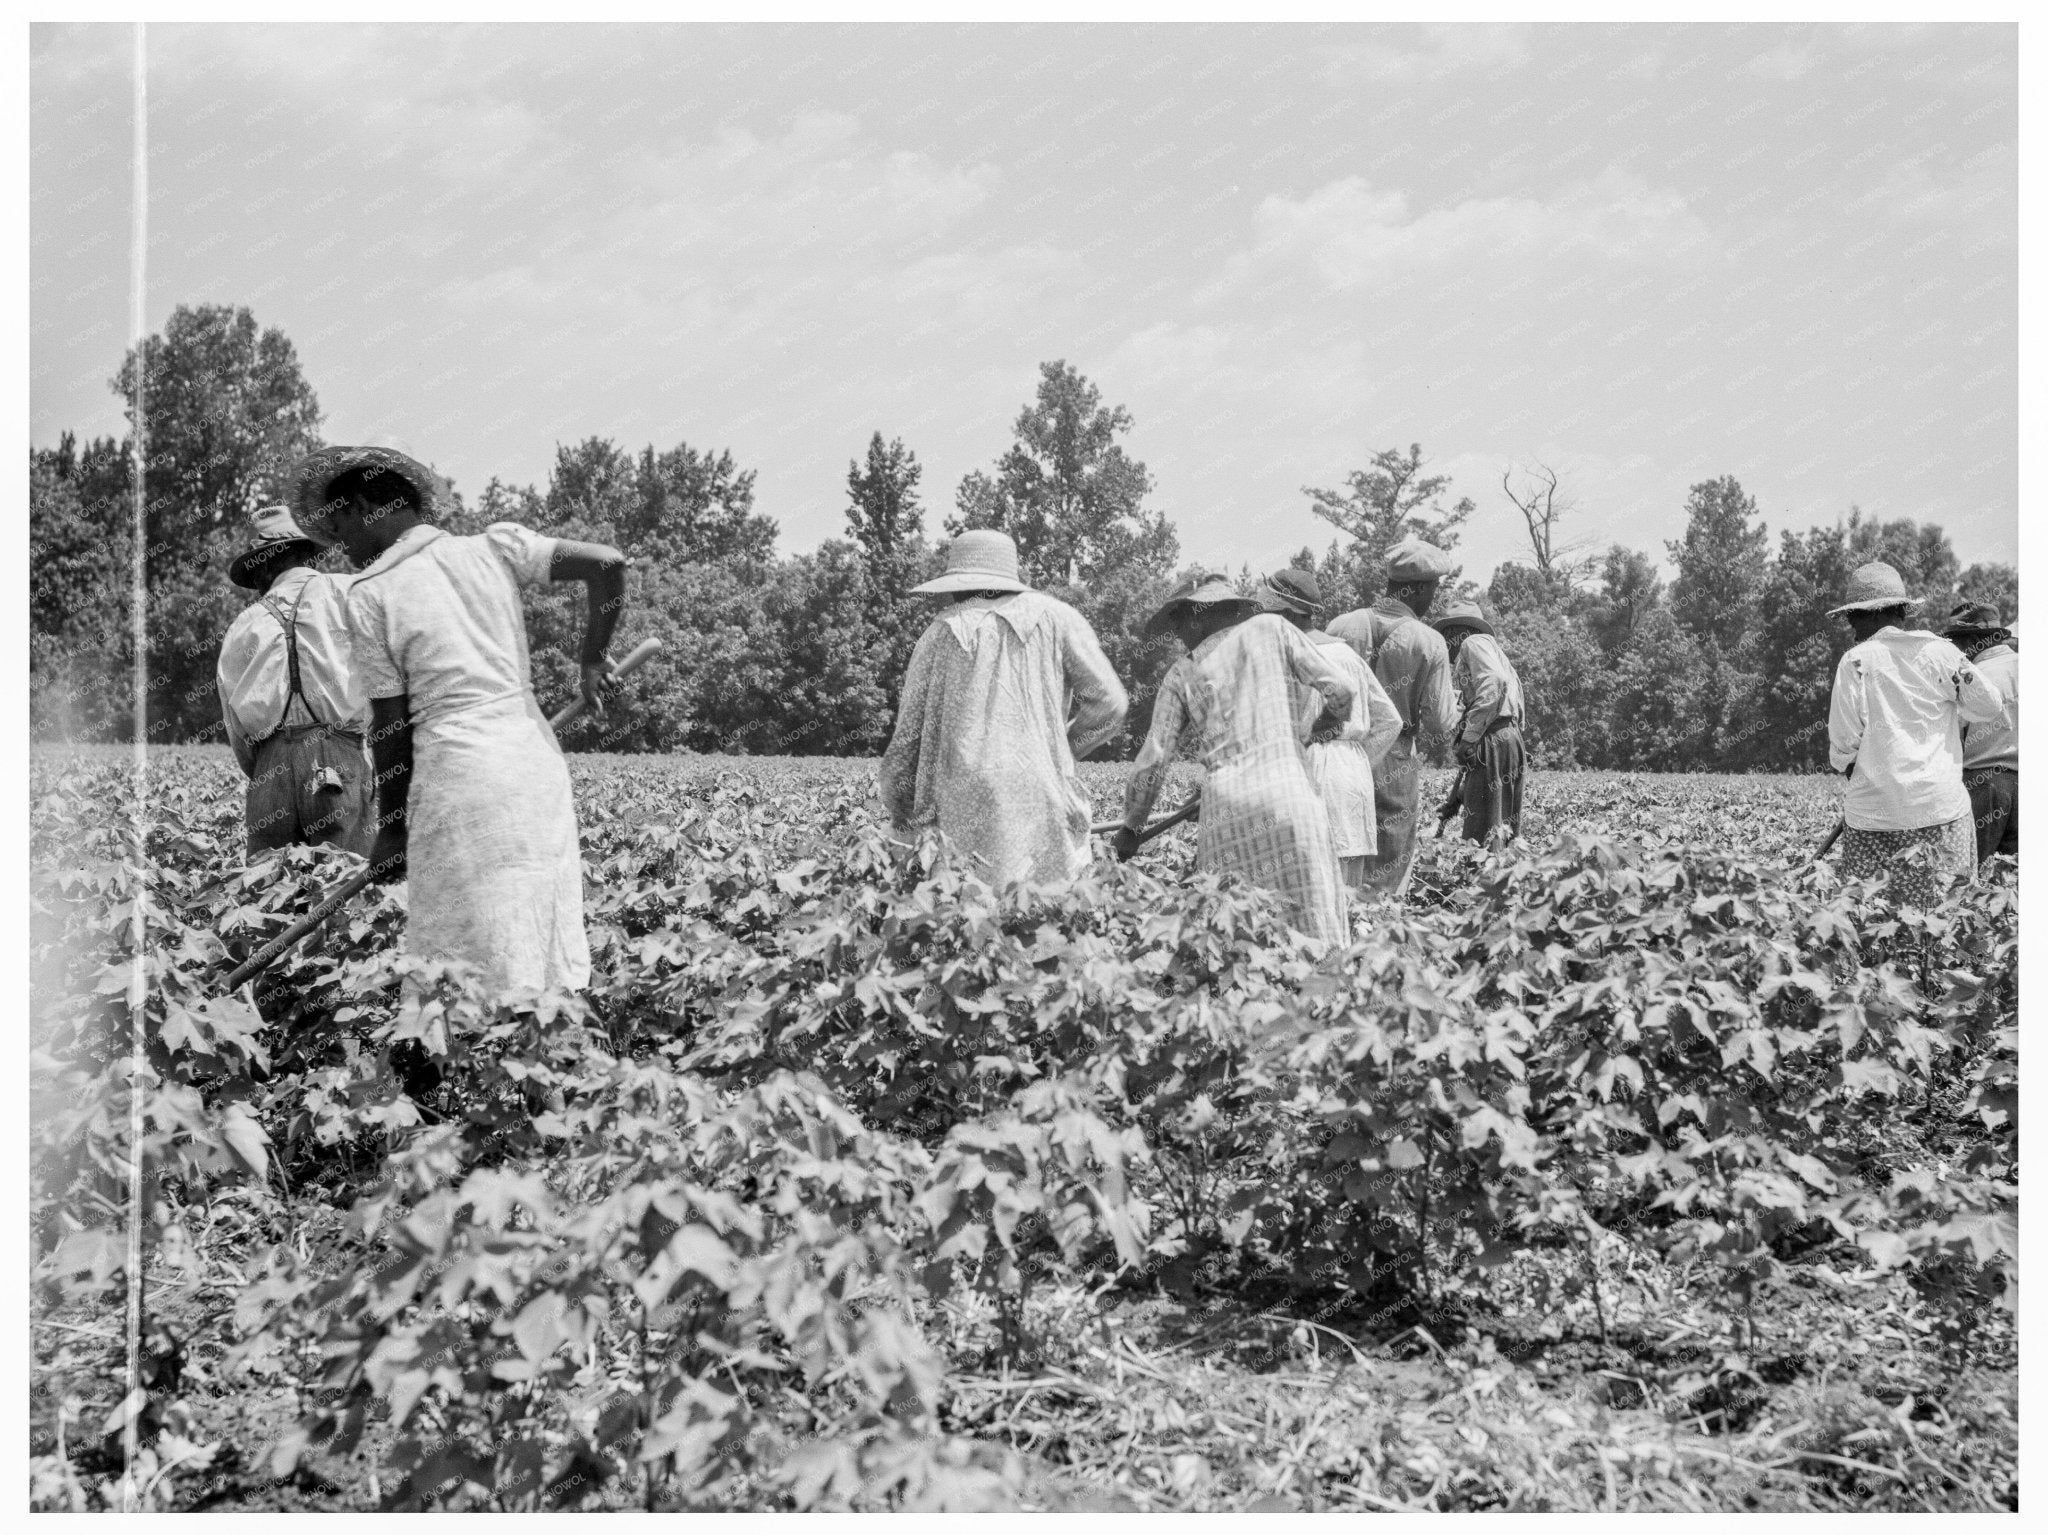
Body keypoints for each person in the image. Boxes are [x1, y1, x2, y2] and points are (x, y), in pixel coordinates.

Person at [289, 444, 628, 996]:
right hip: (531, 766)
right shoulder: (494, 548)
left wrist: (392, 829)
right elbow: (608, 563)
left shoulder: (370, 594)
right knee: (537, 948)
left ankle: (450, 1071)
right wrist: (591, 658)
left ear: (360, 508)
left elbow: (391, 724)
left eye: (336, 527)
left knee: (457, 969)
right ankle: (547, 1072)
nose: (339, 546)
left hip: (458, 783)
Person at [1116, 572, 1358, 945]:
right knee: (1315, 935)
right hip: (1290, 800)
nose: (1179, 636)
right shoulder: (1273, 630)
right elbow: (1340, 689)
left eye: (1179, 623)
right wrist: (1322, 728)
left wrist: (1131, 828)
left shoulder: (1183, 672)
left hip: (1225, 814)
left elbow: (1154, 760)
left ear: (1199, 615)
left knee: (1234, 943)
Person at [879, 529, 1128, 887]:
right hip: (1044, 797)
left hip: (959, 808)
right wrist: (1060, 754)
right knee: (1049, 918)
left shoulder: (938, 634)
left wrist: (902, 818)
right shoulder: (1060, 618)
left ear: (957, 584)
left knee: (967, 918)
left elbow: (906, 746)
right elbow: (1111, 704)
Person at [1826, 563, 2004, 907]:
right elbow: (1989, 705)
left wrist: (1859, 771)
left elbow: (1844, 743)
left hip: (1873, 817)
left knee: (1873, 919)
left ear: (1870, 614)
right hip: (1940, 811)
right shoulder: (1941, 653)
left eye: (1853, 618)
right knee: (1943, 919)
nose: (1850, 628)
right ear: (1900, 610)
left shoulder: (1855, 662)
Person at [216, 503, 373, 860]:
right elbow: (385, 680)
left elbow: (236, 729)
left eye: (257, 568)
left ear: (271, 562)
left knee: (270, 897)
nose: (256, 581)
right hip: (339, 758)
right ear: (308, 554)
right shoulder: (349, 594)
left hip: (269, 769)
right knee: (344, 896)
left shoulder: (244, 624)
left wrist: (268, 772)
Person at [1325, 537, 1459, 899]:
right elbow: (1440, 723)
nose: (1433, 597)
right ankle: (1381, 932)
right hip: (1394, 758)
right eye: (1432, 588)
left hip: (1339, 754)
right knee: (1390, 858)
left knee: (1337, 852)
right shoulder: (1429, 642)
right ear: (1417, 589)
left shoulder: (1340, 626)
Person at [1258, 568, 1401, 891]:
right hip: (1350, 774)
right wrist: (1357, 757)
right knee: (1345, 889)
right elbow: (1390, 721)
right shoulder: (1347, 655)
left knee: (1304, 891)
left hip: (1307, 774)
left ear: (1285, 615)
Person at [1432, 600, 1526, 846]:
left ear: (1455, 632)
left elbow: (1494, 683)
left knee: (1483, 834)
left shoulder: (1471, 643)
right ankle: (1500, 879)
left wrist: (1469, 738)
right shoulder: (1496, 653)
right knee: (1501, 827)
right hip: (1507, 739)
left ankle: (1482, 882)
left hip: (1493, 739)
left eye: (1445, 638)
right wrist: (1460, 797)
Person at [1943, 600, 2018, 864]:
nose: (1958, 650)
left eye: (1959, 642)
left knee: (1968, 877)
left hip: (1984, 787)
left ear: (1975, 639)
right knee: (2014, 880)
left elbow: (1954, 736)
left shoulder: (1972, 677)